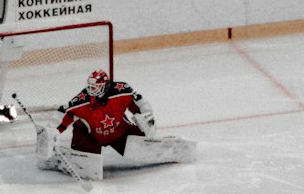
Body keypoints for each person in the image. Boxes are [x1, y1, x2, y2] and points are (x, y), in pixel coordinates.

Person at [34, 69, 195, 181]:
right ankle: (55, 160)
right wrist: (50, 132)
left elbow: (138, 103)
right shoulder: (81, 101)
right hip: (90, 136)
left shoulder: (121, 91)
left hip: (119, 131)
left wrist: (147, 118)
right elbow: (63, 115)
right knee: (90, 170)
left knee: (142, 148)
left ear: (105, 86)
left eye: (95, 87)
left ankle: (174, 150)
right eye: (89, 86)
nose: (91, 90)